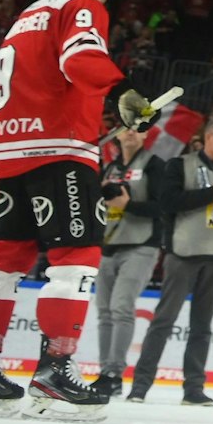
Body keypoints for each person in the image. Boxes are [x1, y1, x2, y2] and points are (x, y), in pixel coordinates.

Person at [0, 0, 151, 420]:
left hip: (10, 150)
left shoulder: (23, 20)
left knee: (2, 262)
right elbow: (81, 58)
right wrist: (124, 91)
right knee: (77, 257)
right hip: (60, 150)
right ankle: (54, 376)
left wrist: (3, 146)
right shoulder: (78, 6)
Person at [128, 117, 213, 405]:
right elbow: (168, 203)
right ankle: (140, 386)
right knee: (163, 320)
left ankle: (194, 389)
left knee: (202, 325)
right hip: (184, 252)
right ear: (208, 137)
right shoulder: (179, 165)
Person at [91, 123, 161, 396]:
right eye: (126, 128)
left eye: (138, 128)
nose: (131, 132)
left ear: (146, 134)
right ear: (117, 134)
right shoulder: (110, 168)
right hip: (109, 244)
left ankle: (114, 372)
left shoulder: (154, 165)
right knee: (105, 312)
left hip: (141, 244)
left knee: (121, 306)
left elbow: (163, 207)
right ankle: (104, 371)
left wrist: (128, 205)